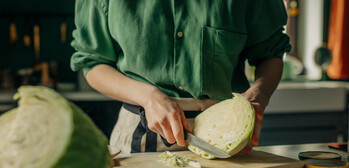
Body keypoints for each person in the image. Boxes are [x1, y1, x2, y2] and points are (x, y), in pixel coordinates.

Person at [71, 0, 291, 154]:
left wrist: (258, 94)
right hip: (141, 131)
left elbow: (270, 53)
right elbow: (93, 63)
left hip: (229, 135)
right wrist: (149, 97)